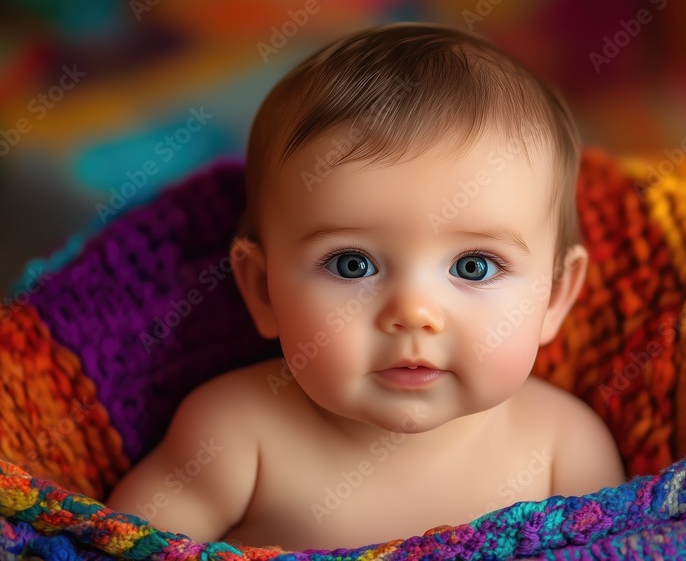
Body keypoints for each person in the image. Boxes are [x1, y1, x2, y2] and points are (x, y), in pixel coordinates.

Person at [105, 22, 625, 551]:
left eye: (474, 267)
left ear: (554, 296)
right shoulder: (235, 437)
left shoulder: (563, 450)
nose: (414, 312)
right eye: (352, 265)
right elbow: (112, 545)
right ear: (263, 289)